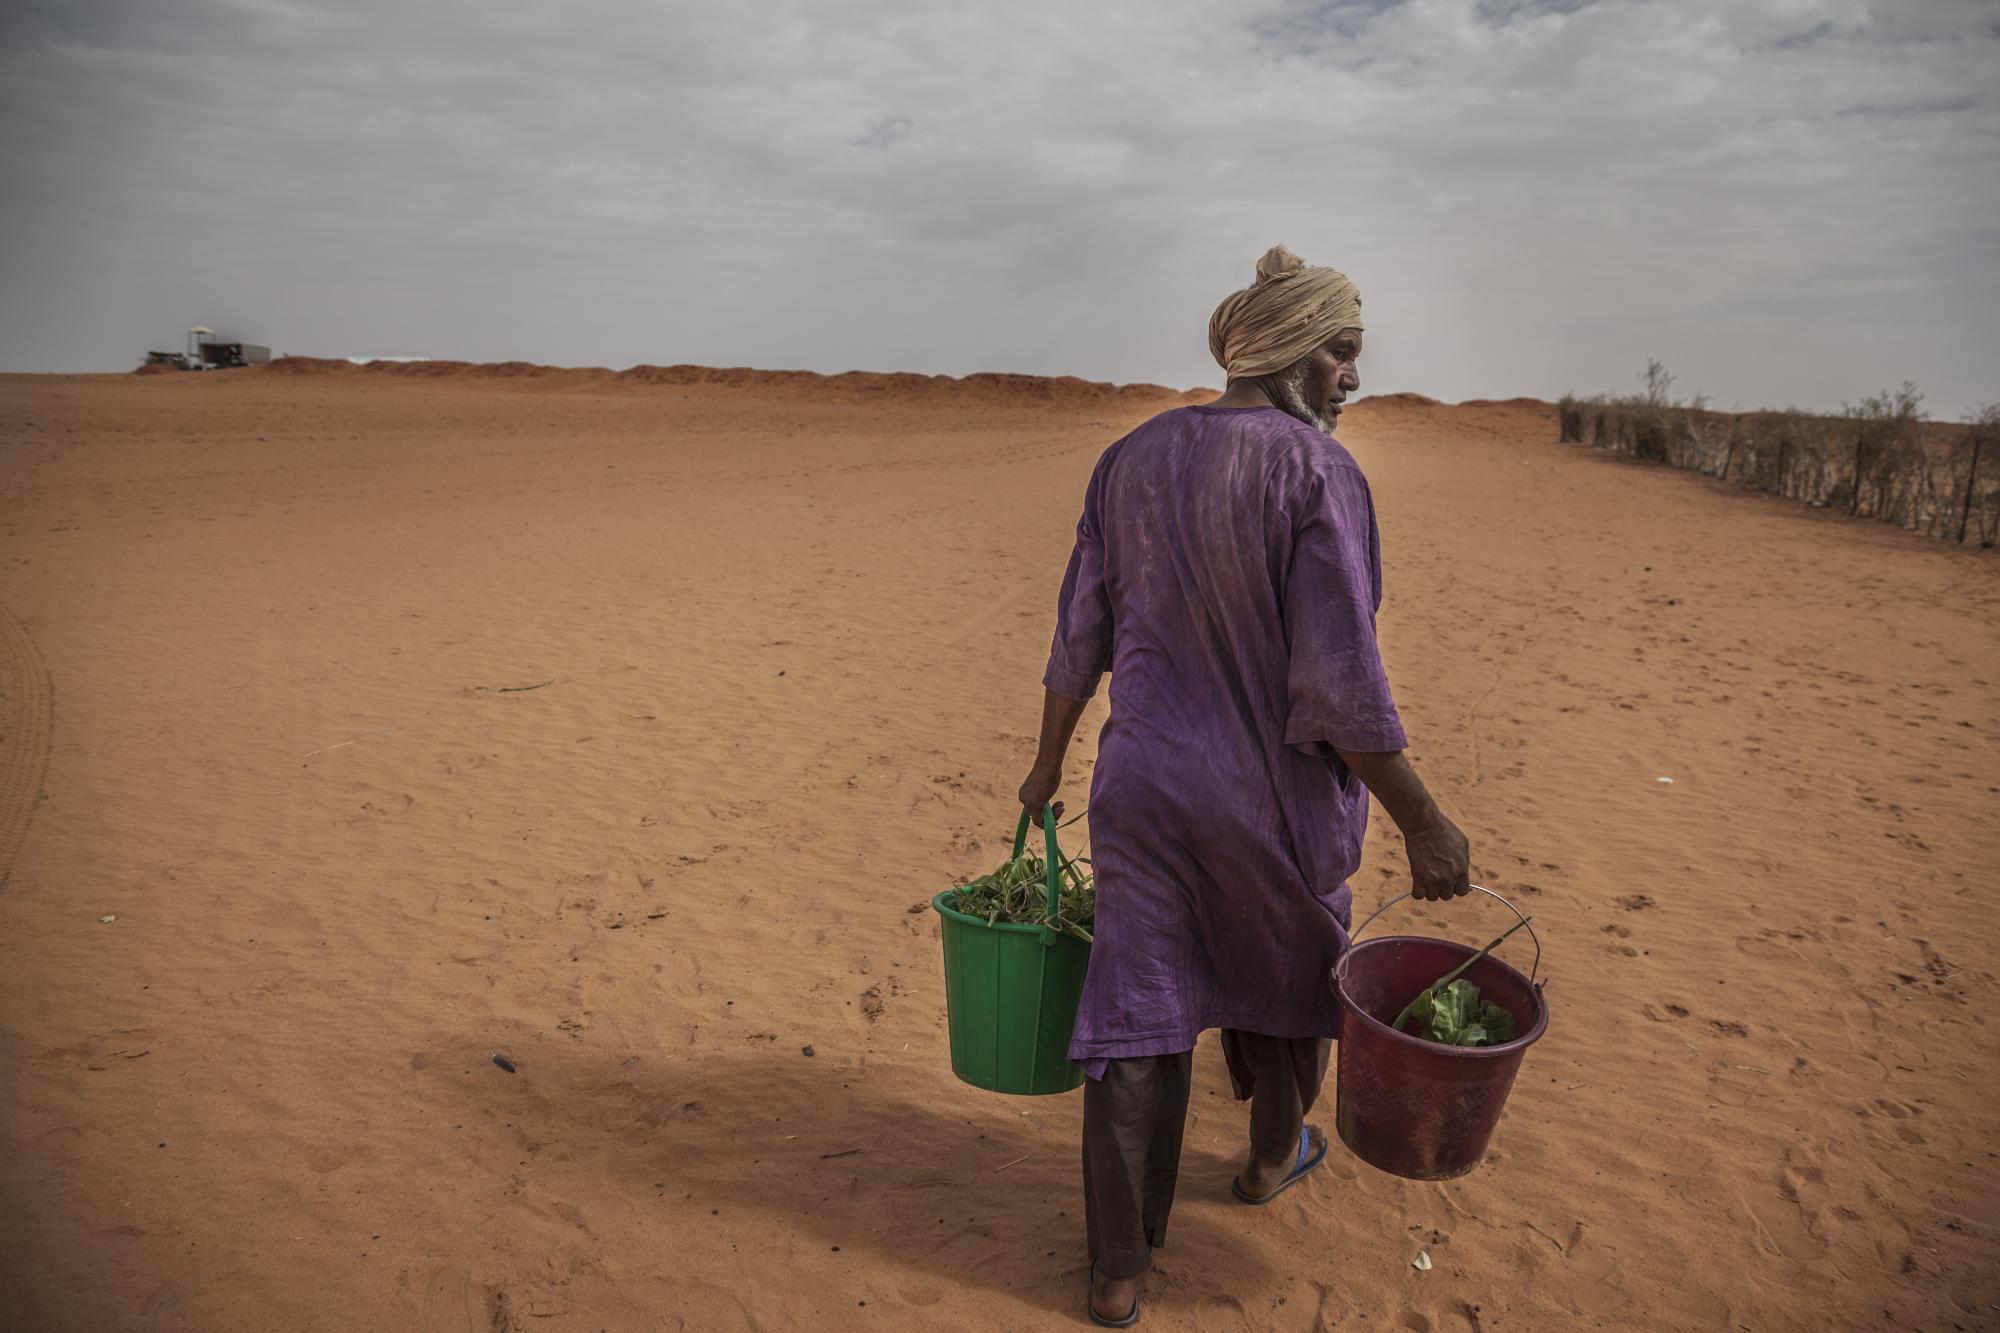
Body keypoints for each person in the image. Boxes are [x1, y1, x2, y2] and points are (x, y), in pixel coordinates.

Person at [1016, 245, 1473, 1327]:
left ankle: (1116, 1275)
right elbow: (1338, 684)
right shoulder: (1315, 473)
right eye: (1343, 354)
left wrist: (1044, 765)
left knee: (1137, 1007)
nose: (1353, 380)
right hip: (1269, 802)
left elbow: (1076, 632)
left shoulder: (1128, 457)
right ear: (1289, 352)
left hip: (1140, 790)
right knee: (1292, 974)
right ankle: (1270, 1159)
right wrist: (1423, 818)